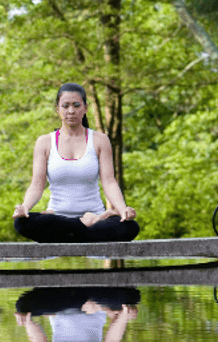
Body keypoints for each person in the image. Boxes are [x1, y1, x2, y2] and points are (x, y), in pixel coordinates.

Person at [12, 82, 140, 243]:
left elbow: (109, 181)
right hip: (60, 217)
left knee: (130, 227)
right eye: (65, 106)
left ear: (85, 108)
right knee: (21, 223)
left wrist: (123, 211)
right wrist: (25, 207)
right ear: (58, 109)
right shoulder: (44, 142)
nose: (71, 111)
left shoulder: (100, 140)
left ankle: (71, 231)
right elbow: (37, 184)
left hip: (92, 216)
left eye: (76, 105)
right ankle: (83, 225)